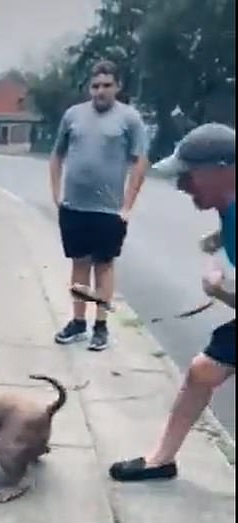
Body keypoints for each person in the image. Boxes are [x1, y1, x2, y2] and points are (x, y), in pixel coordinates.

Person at [110, 122, 235, 481]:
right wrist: (217, 241)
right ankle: (161, 460)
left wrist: (220, 291)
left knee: (203, 371)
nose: (180, 185)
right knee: (202, 372)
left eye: (188, 175)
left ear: (222, 169)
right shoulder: (229, 205)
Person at [49, 60, 149, 351]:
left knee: (103, 266)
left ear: (117, 86)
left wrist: (127, 205)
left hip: (108, 210)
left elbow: (140, 161)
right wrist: (56, 193)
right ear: (89, 88)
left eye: (107, 85)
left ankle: (100, 326)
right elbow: (57, 155)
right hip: (74, 207)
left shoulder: (129, 119)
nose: (100, 91)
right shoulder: (73, 116)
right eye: (95, 86)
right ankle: (78, 323)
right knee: (79, 264)